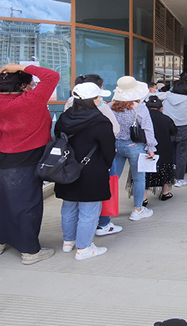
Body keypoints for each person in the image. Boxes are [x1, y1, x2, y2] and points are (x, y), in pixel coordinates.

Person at [0, 63, 60, 265]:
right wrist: (21, 66)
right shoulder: (31, 100)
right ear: (24, 86)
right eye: (32, 84)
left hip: (3, 155)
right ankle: (30, 251)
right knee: (28, 203)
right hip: (28, 155)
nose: (34, 86)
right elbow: (52, 76)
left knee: (1, 200)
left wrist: (6, 73)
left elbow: (0, 86)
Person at [54, 82, 116, 259]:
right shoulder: (100, 122)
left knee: (69, 206)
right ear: (92, 100)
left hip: (67, 169)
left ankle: (68, 241)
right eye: (98, 97)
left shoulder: (64, 118)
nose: (100, 100)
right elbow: (108, 149)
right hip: (92, 170)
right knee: (89, 211)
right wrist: (105, 165)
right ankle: (84, 248)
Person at [69, 75, 122, 237]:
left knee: (71, 202)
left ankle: (69, 239)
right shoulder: (101, 110)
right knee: (95, 200)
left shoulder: (69, 107)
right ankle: (102, 225)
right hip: (95, 158)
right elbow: (114, 130)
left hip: (72, 158)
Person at [110, 76, 157, 220]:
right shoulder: (140, 108)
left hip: (115, 145)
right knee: (139, 179)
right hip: (135, 146)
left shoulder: (110, 106)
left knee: (112, 179)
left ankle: (107, 211)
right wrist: (151, 147)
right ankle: (137, 210)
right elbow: (148, 129)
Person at [145, 95, 177, 200]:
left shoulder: (143, 118)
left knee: (144, 171)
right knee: (165, 168)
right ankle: (165, 193)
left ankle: (143, 198)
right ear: (161, 108)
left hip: (146, 147)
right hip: (164, 146)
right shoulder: (166, 119)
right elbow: (174, 131)